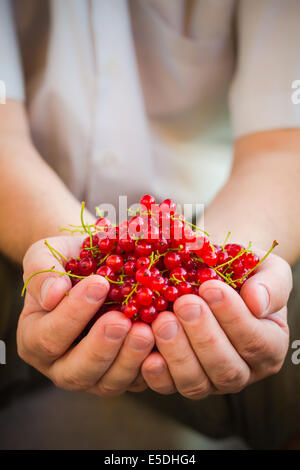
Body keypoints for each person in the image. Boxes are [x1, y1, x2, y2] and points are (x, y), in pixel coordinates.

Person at [0, 0, 300, 450]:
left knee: (256, 332)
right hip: (22, 223)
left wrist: (234, 265)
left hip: (221, 218)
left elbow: (281, 147)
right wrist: (73, 252)